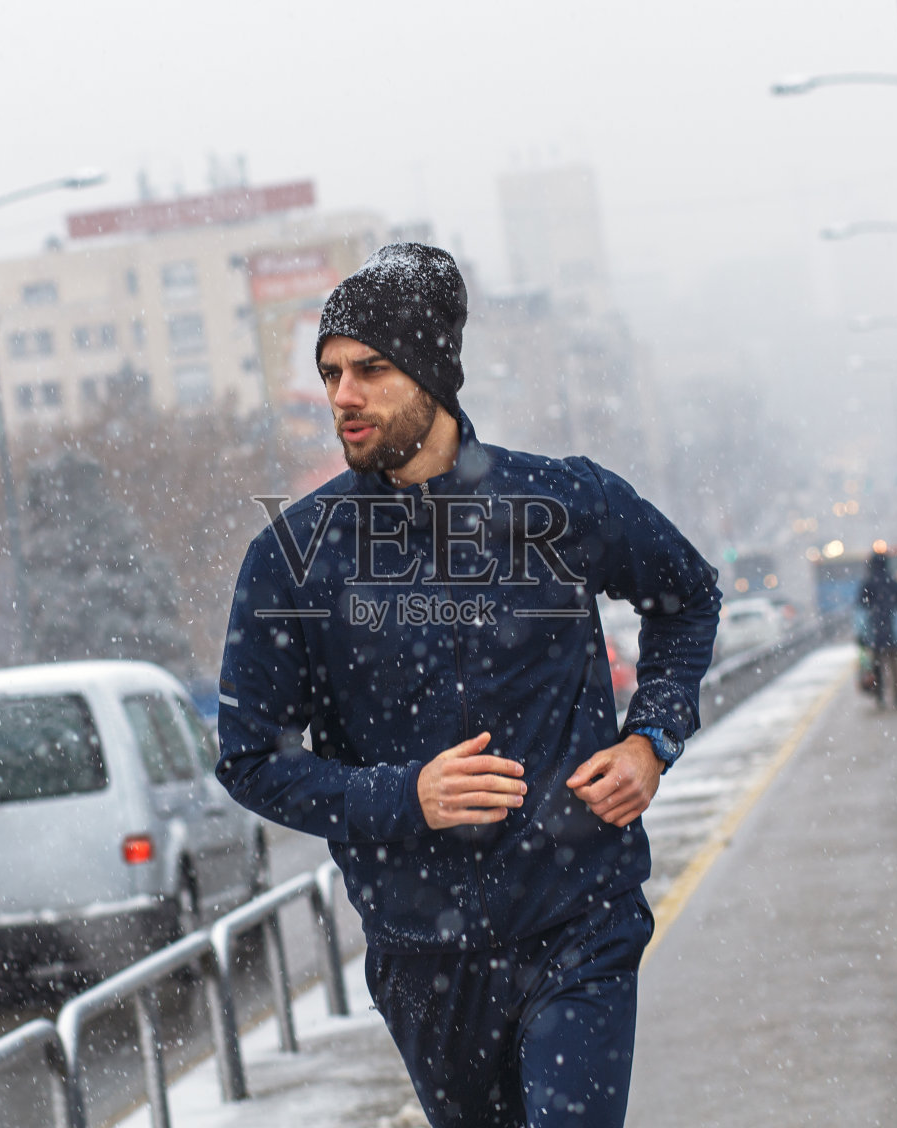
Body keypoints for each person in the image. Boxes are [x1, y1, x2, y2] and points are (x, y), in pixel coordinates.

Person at [215, 243, 720, 1128]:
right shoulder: (296, 555)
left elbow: (689, 599)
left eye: (370, 369)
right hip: (425, 960)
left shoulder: (561, 503)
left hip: (578, 921)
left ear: (434, 377)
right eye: (331, 372)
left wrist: (653, 740)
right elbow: (251, 759)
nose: (343, 396)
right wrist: (404, 795)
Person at [856, 551, 897, 709]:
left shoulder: (868, 584)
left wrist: (862, 632)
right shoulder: (893, 582)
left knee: (877, 665)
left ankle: (880, 698)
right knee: (895, 665)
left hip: (875, 632)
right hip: (894, 631)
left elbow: (861, 610)